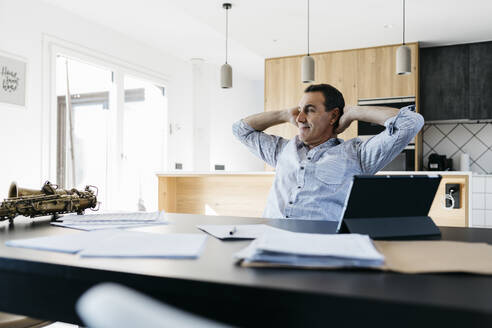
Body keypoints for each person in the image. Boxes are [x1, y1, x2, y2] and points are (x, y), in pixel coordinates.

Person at [232, 83, 424, 221]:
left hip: (321, 245)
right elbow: (240, 130)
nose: (299, 118)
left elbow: (411, 122)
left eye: (309, 110)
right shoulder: (282, 150)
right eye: (299, 110)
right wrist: (284, 114)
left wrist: (354, 112)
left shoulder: (357, 155)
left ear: (333, 116)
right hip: (271, 239)